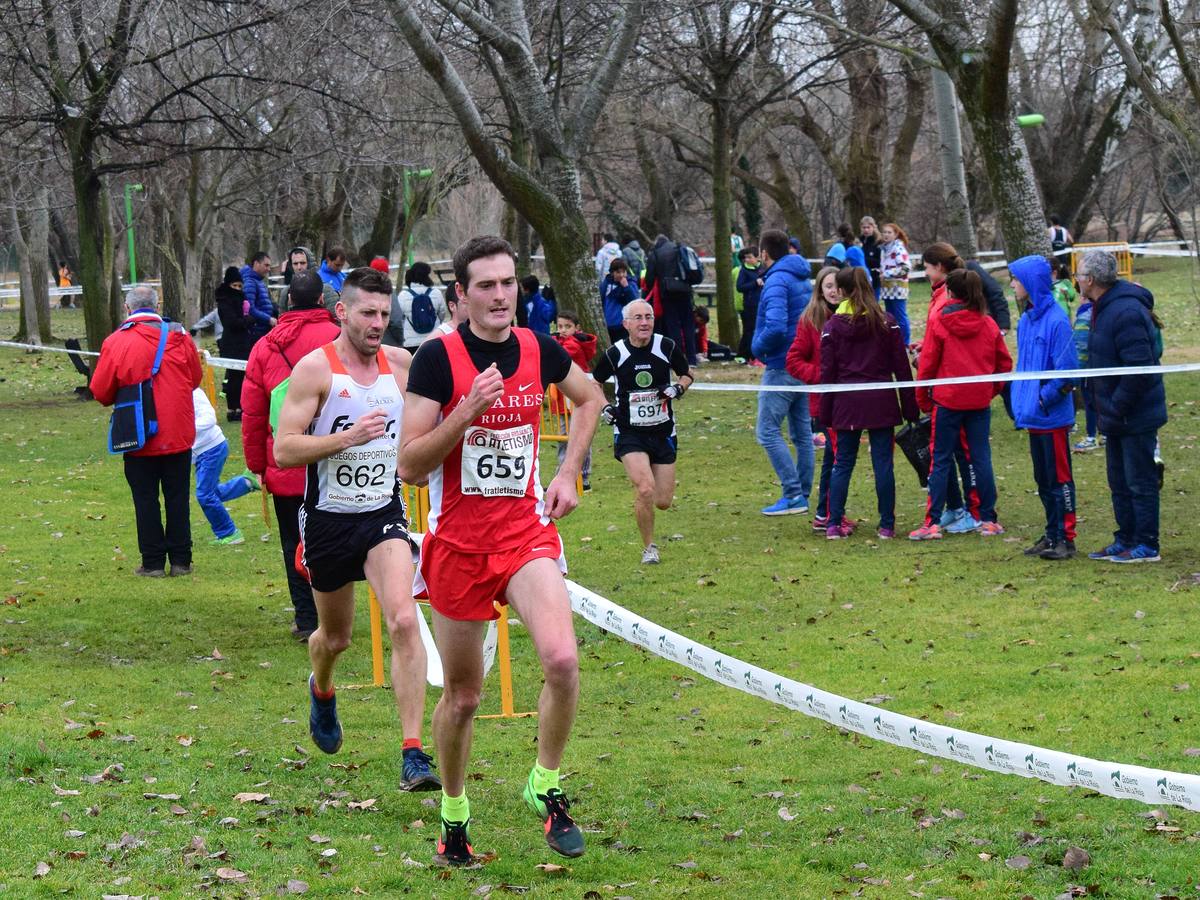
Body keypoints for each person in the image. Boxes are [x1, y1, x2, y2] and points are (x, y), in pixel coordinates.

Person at [399, 235, 603, 865]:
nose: (499, 295)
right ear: (461, 294)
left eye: (508, 282)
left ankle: (545, 785)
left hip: (524, 535)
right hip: (458, 545)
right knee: (464, 696)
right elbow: (409, 464)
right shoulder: (438, 358)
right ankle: (454, 815)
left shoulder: (539, 348)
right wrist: (465, 412)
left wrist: (567, 472)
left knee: (563, 662)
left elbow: (591, 397)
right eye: (485, 285)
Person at [272, 267, 440, 793]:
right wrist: (344, 440)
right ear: (342, 312)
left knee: (404, 621)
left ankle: (413, 753)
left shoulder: (401, 365)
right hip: (326, 520)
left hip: (382, 513)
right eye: (368, 313)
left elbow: (430, 420)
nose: (377, 323)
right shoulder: (313, 371)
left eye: (385, 315)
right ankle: (321, 689)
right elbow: (283, 449)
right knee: (336, 638)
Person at [241, 271, 341, 641]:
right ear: (321, 301)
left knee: (292, 542)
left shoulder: (266, 347)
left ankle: (306, 617)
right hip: (339, 461)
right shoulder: (339, 341)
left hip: (287, 464)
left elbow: (252, 414)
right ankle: (334, 614)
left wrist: (258, 465)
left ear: (286, 303)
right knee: (336, 539)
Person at [92, 286, 203, 577]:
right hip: (178, 432)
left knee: (145, 499)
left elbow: (101, 391)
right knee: (178, 497)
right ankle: (181, 560)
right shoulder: (180, 337)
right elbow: (194, 378)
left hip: (138, 434)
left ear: (128, 309)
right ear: (156, 306)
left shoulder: (116, 342)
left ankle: (152, 562)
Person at [1077, 249, 1167, 563]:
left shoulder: (1126, 311)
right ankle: (1125, 537)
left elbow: (1139, 367)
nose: (1077, 280)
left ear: (1089, 280)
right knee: (1119, 482)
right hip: (1113, 415)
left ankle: (1147, 544)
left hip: (1134, 414)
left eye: (1079, 275)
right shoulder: (1100, 308)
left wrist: (1117, 405)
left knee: (1140, 481)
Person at [909, 269, 1012, 540]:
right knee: (980, 458)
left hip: (949, 401)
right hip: (975, 401)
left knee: (941, 459)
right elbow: (1004, 364)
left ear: (951, 292)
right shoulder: (989, 324)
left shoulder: (940, 323)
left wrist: (923, 398)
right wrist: (989, 391)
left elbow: (928, 363)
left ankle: (932, 522)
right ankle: (987, 518)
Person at [820, 267, 918, 540]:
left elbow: (827, 374)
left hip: (849, 404)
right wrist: (910, 408)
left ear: (842, 290)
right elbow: (903, 369)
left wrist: (824, 413)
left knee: (843, 463)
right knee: (882, 463)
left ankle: (833, 523)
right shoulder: (886, 322)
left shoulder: (836, 327)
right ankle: (886, 524)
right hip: (878, 403)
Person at [1009, 255, 1079, 560]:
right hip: (1033, 417)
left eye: (1016, 279)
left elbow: (1067, 374)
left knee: (1059, 479)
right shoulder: (1026, 320)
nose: (1012, 284)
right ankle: (1051, 532)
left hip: (1052, 418)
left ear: (1031, 283)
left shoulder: (1058, 321)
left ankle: (1066, 536)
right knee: (1042, 480)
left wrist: (1042, 398)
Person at [751, 228, 813, 517]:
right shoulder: (801, 276)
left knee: (767, 431)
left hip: (782, 363)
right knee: (802, 433)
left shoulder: (777, 280)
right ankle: (803, 492)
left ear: (764, 253)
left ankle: (793, 493)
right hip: (801, 361)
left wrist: (756, 347)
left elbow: (775, 326)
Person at [786, 266, 847, 532]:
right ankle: (827, 514)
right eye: (829, 286)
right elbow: (794, 360)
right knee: (837, 457)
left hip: (849, 399)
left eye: (838, 286)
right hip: (826, 401)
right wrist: (821, 375)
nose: (834, 292)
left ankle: (826, 511)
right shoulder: (810, 319)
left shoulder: (852, 316)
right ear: (820, 290)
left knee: (836, 456)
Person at [192, 387, 258, 545]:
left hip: (212, 448)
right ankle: (246, 483)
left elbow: (209, 418)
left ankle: (229, 533)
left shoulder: (193, 392)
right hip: (200, 452)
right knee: (211, 493)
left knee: (204, 495)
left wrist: (184, 429)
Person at [553, 309, 597, 490]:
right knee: (563, 438)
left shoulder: (573, 344)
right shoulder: (560, 342)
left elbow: (557, 355)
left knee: (579, 437)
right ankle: (563, 475)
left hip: (576, 399)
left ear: (577, 328)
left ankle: (583, 477)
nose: (562, 330)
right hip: (563, 402)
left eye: (567, 326)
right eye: (560, 326)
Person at [645, 233, 698, 365]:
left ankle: (678, 358)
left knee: (673, 326)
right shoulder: (679, 248)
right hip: (685, 291)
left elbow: (649, 278)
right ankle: (692, 358)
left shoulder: (656, 253)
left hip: (667, 293)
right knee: (688, 325)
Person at [216, 266, 254, 422]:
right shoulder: (224, 301)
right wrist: (248, 321)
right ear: (228, 285)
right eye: (234, 286)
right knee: (233, 377)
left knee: (241, 376)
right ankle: (232, 408)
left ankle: (240, 407)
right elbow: (231, 322)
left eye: (240, 286)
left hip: (243, 342)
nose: (238, 289)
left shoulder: (240, 299)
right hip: (231, 343)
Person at [398, 262, 449, 353]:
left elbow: (399, 318)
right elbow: (442, 313)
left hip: (411, 343)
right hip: (434, 340)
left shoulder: (403, 295)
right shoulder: (436, 293)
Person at [1071, 290, 1100, 452]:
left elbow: (1080, 346)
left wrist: (1077, 373)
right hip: (1100, 366)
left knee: (1090, 402)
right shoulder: (1100, 312)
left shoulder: (1084, 316)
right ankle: (1103, 434)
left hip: (1088, 369)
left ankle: (1091, 436)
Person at [878, 222, 911, 345]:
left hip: (898, 289)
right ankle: (894, 342)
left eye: (889, 232)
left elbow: (906, 268)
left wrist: (887, 273)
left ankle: (905, 343)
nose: (886, 235)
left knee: (900, 317)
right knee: (890, 318)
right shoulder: (885, 248)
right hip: (887, 289)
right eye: (884, 232)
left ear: (896, 234)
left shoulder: (898, 248)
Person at [600, 257, 640, 344]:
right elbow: (601, 299)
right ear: (612, 273)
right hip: (607, 325)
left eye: (624, 272)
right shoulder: (606, 283)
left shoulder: (630, 283)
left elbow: (635, 302)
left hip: (622, 325)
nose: (621, 275)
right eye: (618, 272)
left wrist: (626, 287)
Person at [735, 246, 763, 365]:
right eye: (746, 257)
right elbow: (740, 287)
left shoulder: (763, 269)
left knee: (759, 330)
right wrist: (754, 283)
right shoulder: (744, 271)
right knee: (749, 331)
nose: (747, 259)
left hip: (761, 304)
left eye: (749, 257)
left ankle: (757, 355)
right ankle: (745, 355)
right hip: (749, 305)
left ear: (757, 258)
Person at [859, 216, 882, 297]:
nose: (866, 230)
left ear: (873, 227)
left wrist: (864, 259)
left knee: (873, 305)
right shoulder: (859, 242)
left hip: (874, 279)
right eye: (864, 227)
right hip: (861, 279)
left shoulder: (879, 243)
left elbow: (880, 262)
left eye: (868, 227)